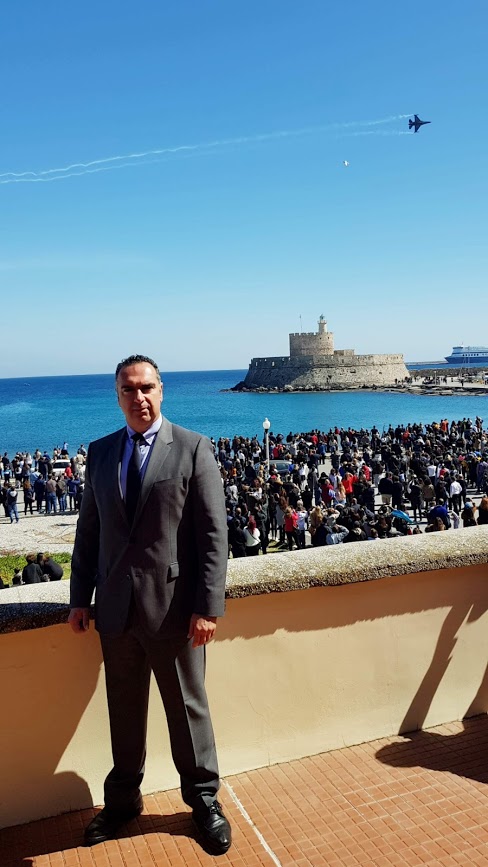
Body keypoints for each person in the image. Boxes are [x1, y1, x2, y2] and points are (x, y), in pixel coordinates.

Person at [68, 355, 231, 854]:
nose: (138, 397)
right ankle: (122, 802)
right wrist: (79, 598)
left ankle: (203, 800)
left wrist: (208, 606)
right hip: (115, 610)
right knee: (123, 710)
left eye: (146, 388)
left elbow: (213, 535)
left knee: (187, 709)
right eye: (128, 389)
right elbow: (89, 531)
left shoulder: (193, 447)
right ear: (117, 396)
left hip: (175, 610)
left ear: (162, 391)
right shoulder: (100, 453)